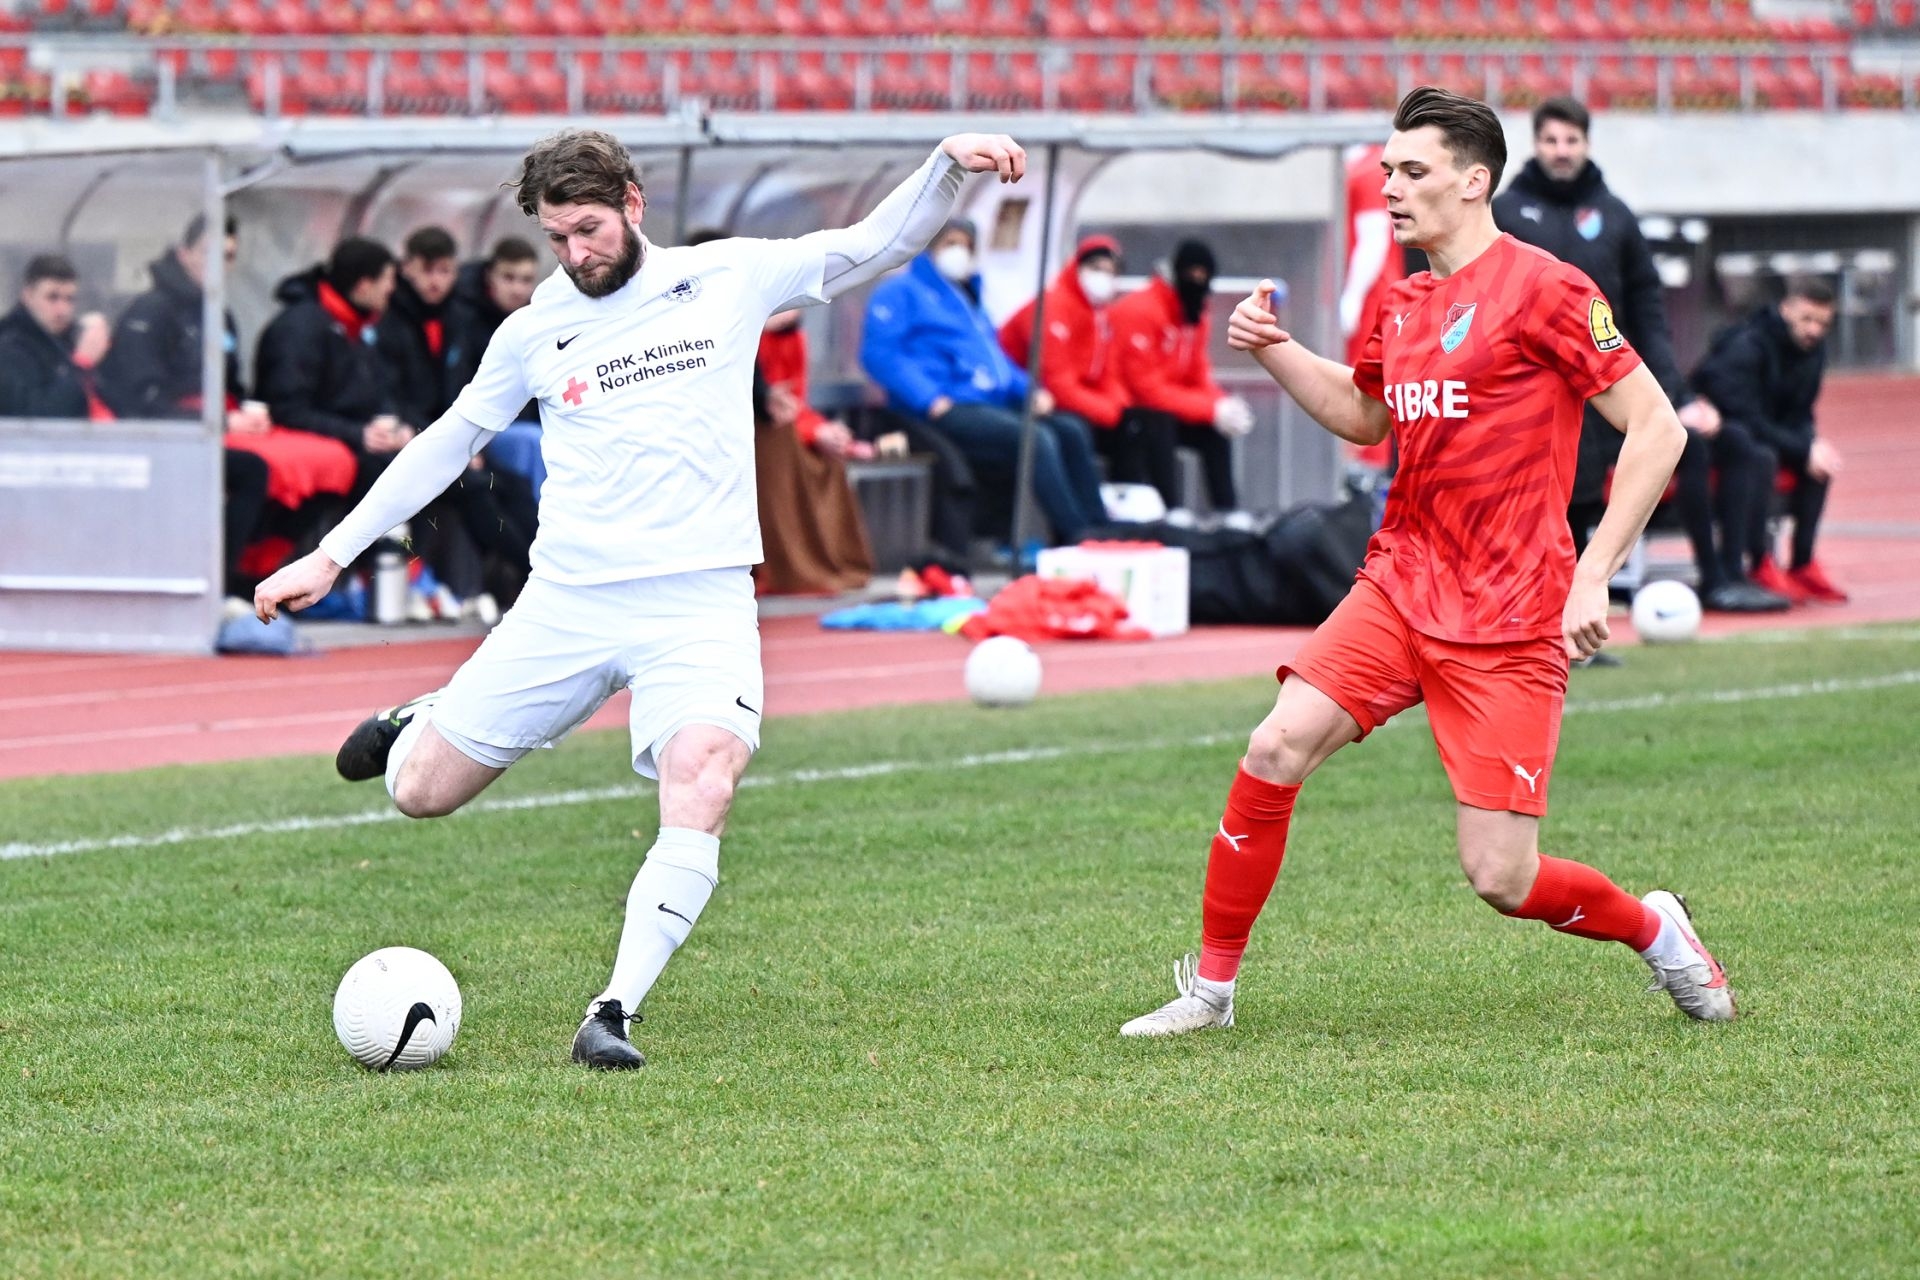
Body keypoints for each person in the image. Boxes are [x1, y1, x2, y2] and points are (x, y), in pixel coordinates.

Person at [252, 128, 1030, 1069]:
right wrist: (330, 555)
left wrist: (945, 164)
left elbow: (877, 243)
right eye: (555, 238)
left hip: (699, 603)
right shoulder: (532, 330)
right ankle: (427, 715)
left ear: (632, 202)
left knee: (704, 774)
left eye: (587, 229)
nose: (575, 254)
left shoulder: (728, 275)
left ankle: (612, 1011)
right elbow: (447, 443)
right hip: (569, 602)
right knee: (420, 793)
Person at [1118, 87, 1733, 1041]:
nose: (1391, 188)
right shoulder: (1403, 302)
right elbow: (1368, 416)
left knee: (1501, 877)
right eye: (1387, 170)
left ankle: (1656, 930)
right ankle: (1211, 991)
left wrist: (1592, 572)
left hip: (1511, 611)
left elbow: (1657, 429)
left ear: (1473, 181)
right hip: (1401, 583)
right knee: (1275, 746)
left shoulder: (1550, 289)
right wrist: (1278, 351)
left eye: (1413, 171)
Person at [1493, 99, 1784, 618]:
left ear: (1587, 144)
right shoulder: (1506, 214)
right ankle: (1550, 618)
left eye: (1571, 140)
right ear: (1535, 144)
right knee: (1568, 501)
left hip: (1607, 383)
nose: (1562, 151)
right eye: (1552, 140)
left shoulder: (1615, 215)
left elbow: (1647, 309)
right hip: (1537, 390)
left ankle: (1720, 578)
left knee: (1696, 444)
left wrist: (1673, 393)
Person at [860, 217, 1107, 546]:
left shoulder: (968, 299)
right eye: (950, 244)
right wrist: (928, 397)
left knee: (1070, 429)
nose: (959, 252)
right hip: (945, 404)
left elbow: (996, 361)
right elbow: (879, 354)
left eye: (966, 246)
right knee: (1035, 438)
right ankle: (1077, 532)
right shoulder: (900, 291)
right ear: (930, 246)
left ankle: (1098, 522)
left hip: (985, 402)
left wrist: (1030, 391)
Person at [94, 214, 285, 605]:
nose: (219, 265)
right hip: (158, 438)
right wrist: (219, 420)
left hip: (207, 429)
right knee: (252, 471)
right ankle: (218, 583)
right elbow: (140, 401)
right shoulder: (152, 310)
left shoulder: (219, 314)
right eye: (209, 253)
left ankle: (256, 575)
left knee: (303, 465)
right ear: (184, 254)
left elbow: (230, 385)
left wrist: (247, 412)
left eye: (227, 256)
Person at [1690, 277, 1847, 605]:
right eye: (1807, 319)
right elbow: (1739, 413)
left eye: (1822, 323)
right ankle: (1759, 561)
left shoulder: (1813, 351)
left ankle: (1802, 564)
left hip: (1761, 430)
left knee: (1820, 463)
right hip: (1720, 433)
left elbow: (1801, 412)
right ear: (1786, 310)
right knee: (1760, 457)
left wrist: (1811, 444)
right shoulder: (1746, 346)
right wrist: (1801, 447)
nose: (1814, 330)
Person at [998, 235, 1166, 497]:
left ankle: (1136, 501)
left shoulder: (1099, 314)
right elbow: (1057, 384)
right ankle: (1094, 509)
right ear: (1078, 267)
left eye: (1111, 272)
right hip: (1030, 400)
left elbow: (1108, 374)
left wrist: (1118, 408)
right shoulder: (1052, 307)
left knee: (1143, 421)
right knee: (1080, 429)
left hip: (1071, 400)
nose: (1103, 277)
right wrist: (1109, 412)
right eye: (1096, 268)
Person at [1109, 239, 1257, 525]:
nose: (1197, 282)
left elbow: (1198, 373)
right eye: (1192, 274)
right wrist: (1209, 409)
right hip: (1128, 413)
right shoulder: (1140, 310)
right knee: (1159, 422)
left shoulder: (1194, 312)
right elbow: (1145, 390)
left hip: (1166, 407)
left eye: (1204, 277)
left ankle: (1227, 511)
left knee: (1214, 431)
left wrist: (1221, 405)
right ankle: (1170, 510)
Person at [253, 237, 409, 493]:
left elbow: (377, 389)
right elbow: (288, 408)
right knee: (387, 473)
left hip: (350, 434)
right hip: (315, 438)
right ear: (364, 286)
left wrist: (395, 426)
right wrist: (357, 433)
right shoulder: (301, 328)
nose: (392, 289)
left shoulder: (358, 324)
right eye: (388, 280)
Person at [754, 307, 876, 595]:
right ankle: (785, 567)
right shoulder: (745, 338)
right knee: (780, 450)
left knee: (828, 454)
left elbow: (795, 401)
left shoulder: (793, 339)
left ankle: (830, 560)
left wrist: (820, 430)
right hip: (755, 431)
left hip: (782, 423)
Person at [1339, 143, 1409, 471]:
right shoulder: (1360, 166)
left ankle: (1367, 470)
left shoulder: (1371, 169)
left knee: (1365, 384)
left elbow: (1373, 239)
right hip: (1367, 294)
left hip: (1372, 297)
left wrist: (1353, 296)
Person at [0, 254, 110, 419]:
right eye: (52, 298)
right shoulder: (9, 348)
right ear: (27, 296)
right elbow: (34, 418)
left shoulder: (70, 340)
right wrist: (81, 364)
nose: (62, 310)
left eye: (69, 299)